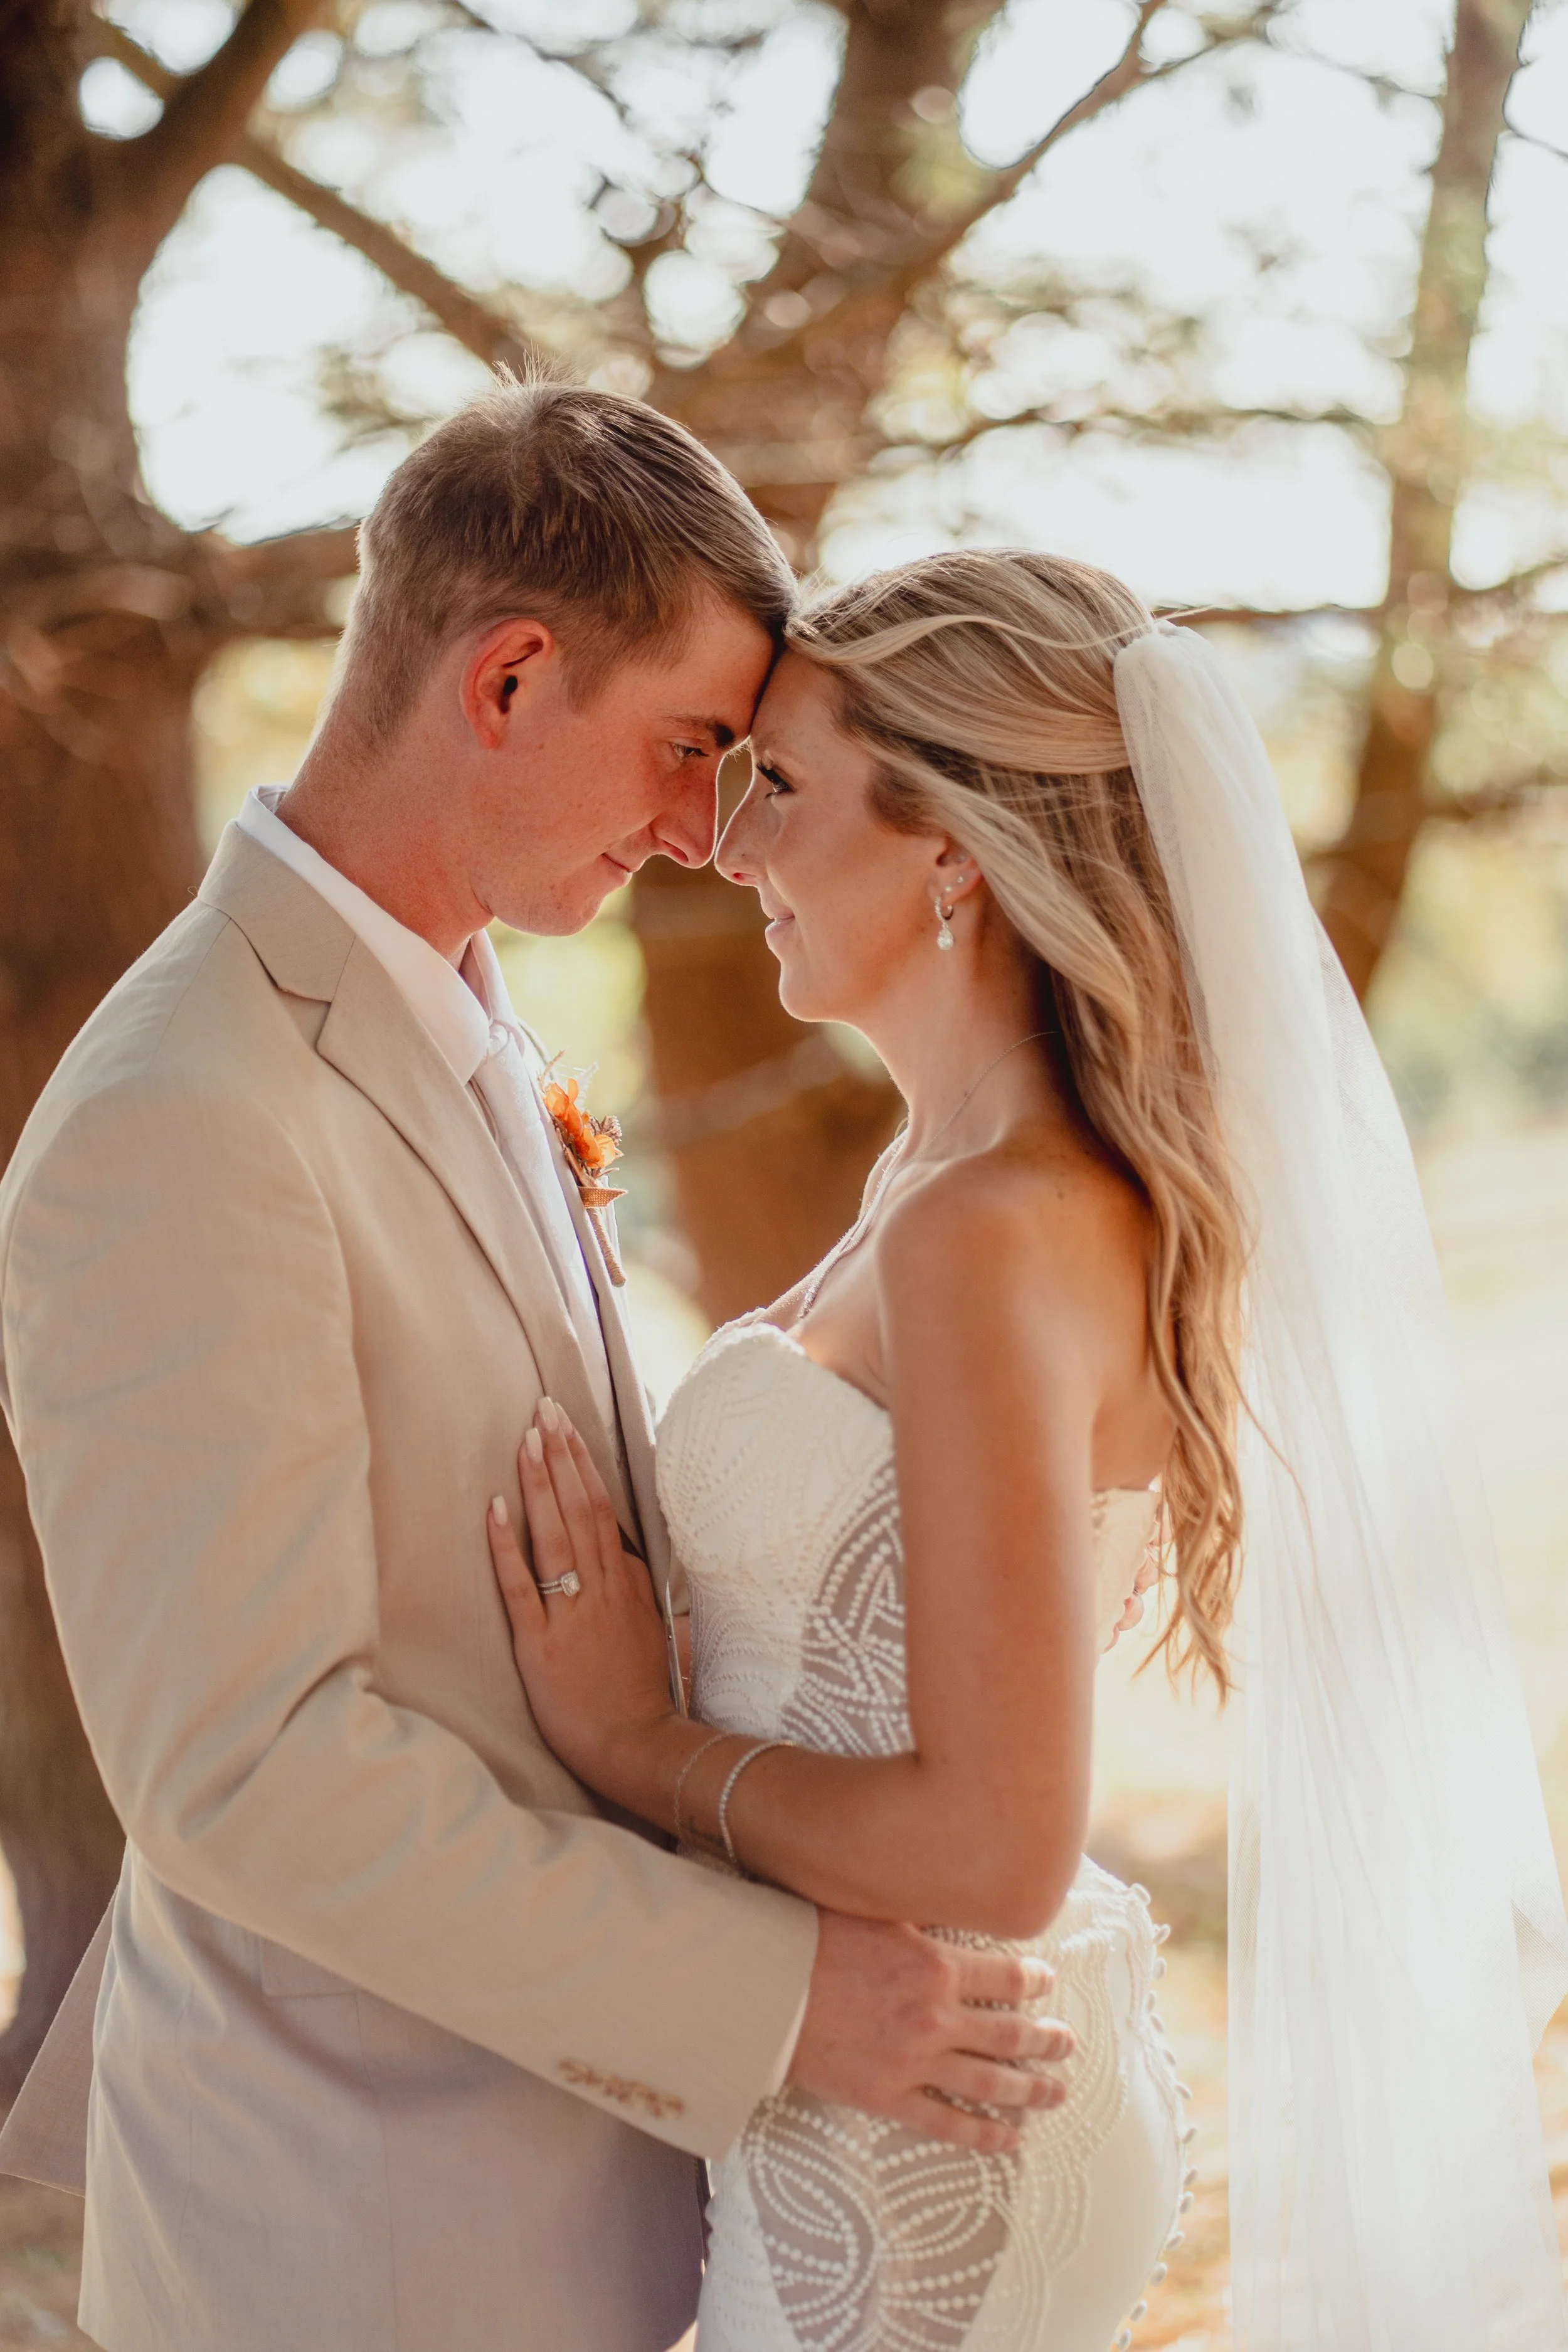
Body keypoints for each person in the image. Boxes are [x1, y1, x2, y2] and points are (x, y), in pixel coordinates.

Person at [0, 388, 1074, 2352]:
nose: (694, 830)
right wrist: (781, 1997)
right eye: (682, 749)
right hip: (354, 2237)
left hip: (590, 2204)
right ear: (505, 676)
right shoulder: (181, 1109)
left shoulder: (464, 1015)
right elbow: (243, 1767)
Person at [487, 548, 1568, 2351]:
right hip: (886, 2065)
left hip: (926, 2115)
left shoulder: (987, 1225)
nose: (732, 846)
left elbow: (991, 1840)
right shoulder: (939, 1181)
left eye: (786, 790)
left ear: (951, 854)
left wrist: (631, 1736)